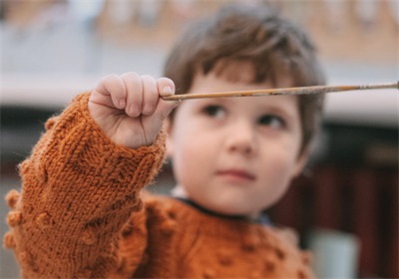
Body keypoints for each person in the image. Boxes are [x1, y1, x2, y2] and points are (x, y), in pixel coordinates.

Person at [4, 3, 326, 278]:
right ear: (169, 129)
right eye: (214, 110)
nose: (242, 140)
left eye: (270, 120)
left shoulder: (293, 265)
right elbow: (51, 259)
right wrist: (99, 150)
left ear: (301, 154)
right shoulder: (138, 232)